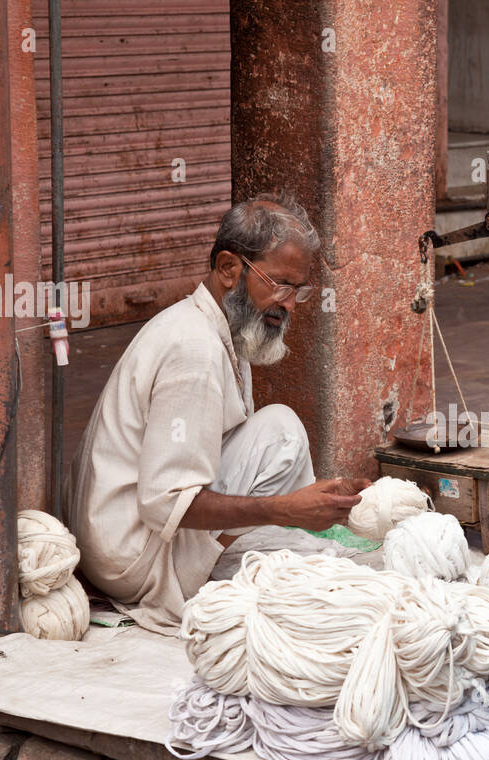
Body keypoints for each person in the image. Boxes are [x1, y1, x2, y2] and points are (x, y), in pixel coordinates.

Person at [66, 193, 370, 634]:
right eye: (280, 284)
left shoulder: (222, 328)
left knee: (279, 431)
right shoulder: (195, 349)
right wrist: (283, 510)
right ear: (229, 268)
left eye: (299, 290)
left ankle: (230, 553)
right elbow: (166, 503)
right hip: (129, 561)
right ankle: (204, 572)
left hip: (118, 542)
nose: (289, 303)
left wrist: (317, 499)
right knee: (282, 448)